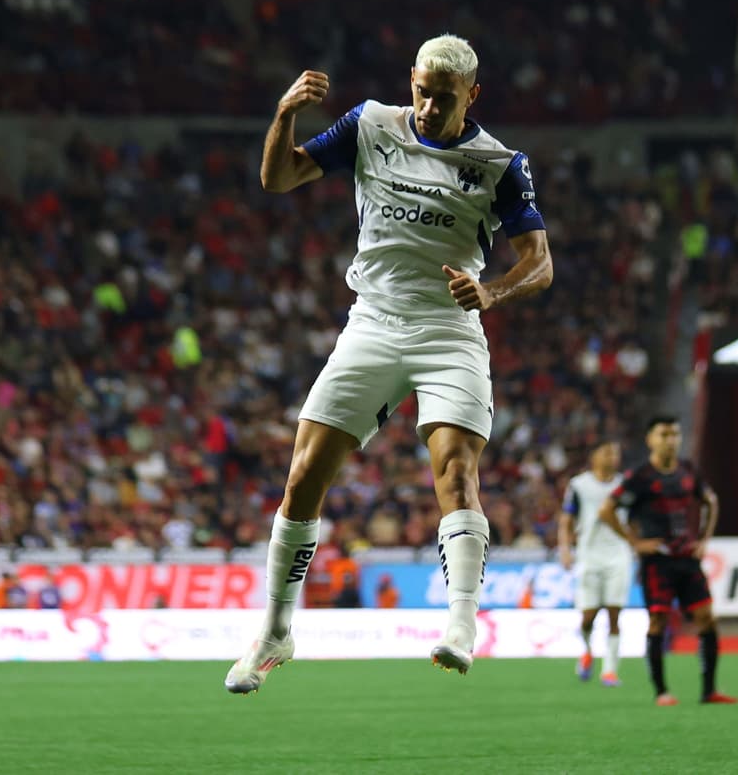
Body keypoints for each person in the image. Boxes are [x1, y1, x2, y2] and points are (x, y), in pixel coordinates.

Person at [225, 34, 552, 694]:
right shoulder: (370, 124)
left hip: (449, 329)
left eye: (445, 98)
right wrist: (286, 113)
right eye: (423, 92)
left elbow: (540, 263)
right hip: (372, 322)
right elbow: (277, 178)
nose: (429, 107)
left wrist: (492, 291)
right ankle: (276, 630)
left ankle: (461, 624)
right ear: (411, 80)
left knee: (456, 469)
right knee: (303, 474)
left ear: (472, 96)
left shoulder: (499, 163)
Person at [598, 416, 738, 706]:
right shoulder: (640, 477)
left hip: (687, 558)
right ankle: (661, 691)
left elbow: (711, 501)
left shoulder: (688, 471)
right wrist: (634, 542)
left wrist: (703, 539)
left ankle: (709, 690)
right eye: (664, 434)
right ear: (650, 439)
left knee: (707, 619)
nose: (671, 440)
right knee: (658, 621)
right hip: (657, 561)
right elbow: (606, 510)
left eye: (675, 434)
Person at [558, 440, 630, 686]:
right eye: (608, 452)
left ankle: (609, 670)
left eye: (615, 452)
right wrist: (565, 549)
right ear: (594, 456)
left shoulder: (624, 485)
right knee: (588, 616)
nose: (612, 457)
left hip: (619, 553)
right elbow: (566, 520)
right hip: (588, 554)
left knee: (614, 613)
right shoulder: (579, 485)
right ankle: (587, 651)